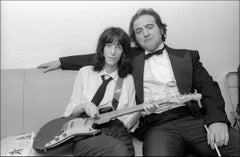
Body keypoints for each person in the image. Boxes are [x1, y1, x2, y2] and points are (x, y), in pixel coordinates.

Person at [38, 8, 239, 156]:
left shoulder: (188, 56)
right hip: (156, 126)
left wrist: (217, 120)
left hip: (191, 119)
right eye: (139, 30)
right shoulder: (130, 57)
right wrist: (60, 62)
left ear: (161, 29)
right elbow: (99, 55)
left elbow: (209, 88)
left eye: (149, 27)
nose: (145, 33)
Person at [61, 27, 140, 156]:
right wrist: (85, 105)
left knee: (125, 152)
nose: (113, 52)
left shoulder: (127, 79)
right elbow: (70, 112)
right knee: (120, 152)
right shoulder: (85, 73)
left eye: (118, 47)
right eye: (109, 46)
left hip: (117, 128)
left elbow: (127, 122)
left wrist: (139, 112)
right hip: (85, 128)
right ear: (102, 48)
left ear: (123, 53)